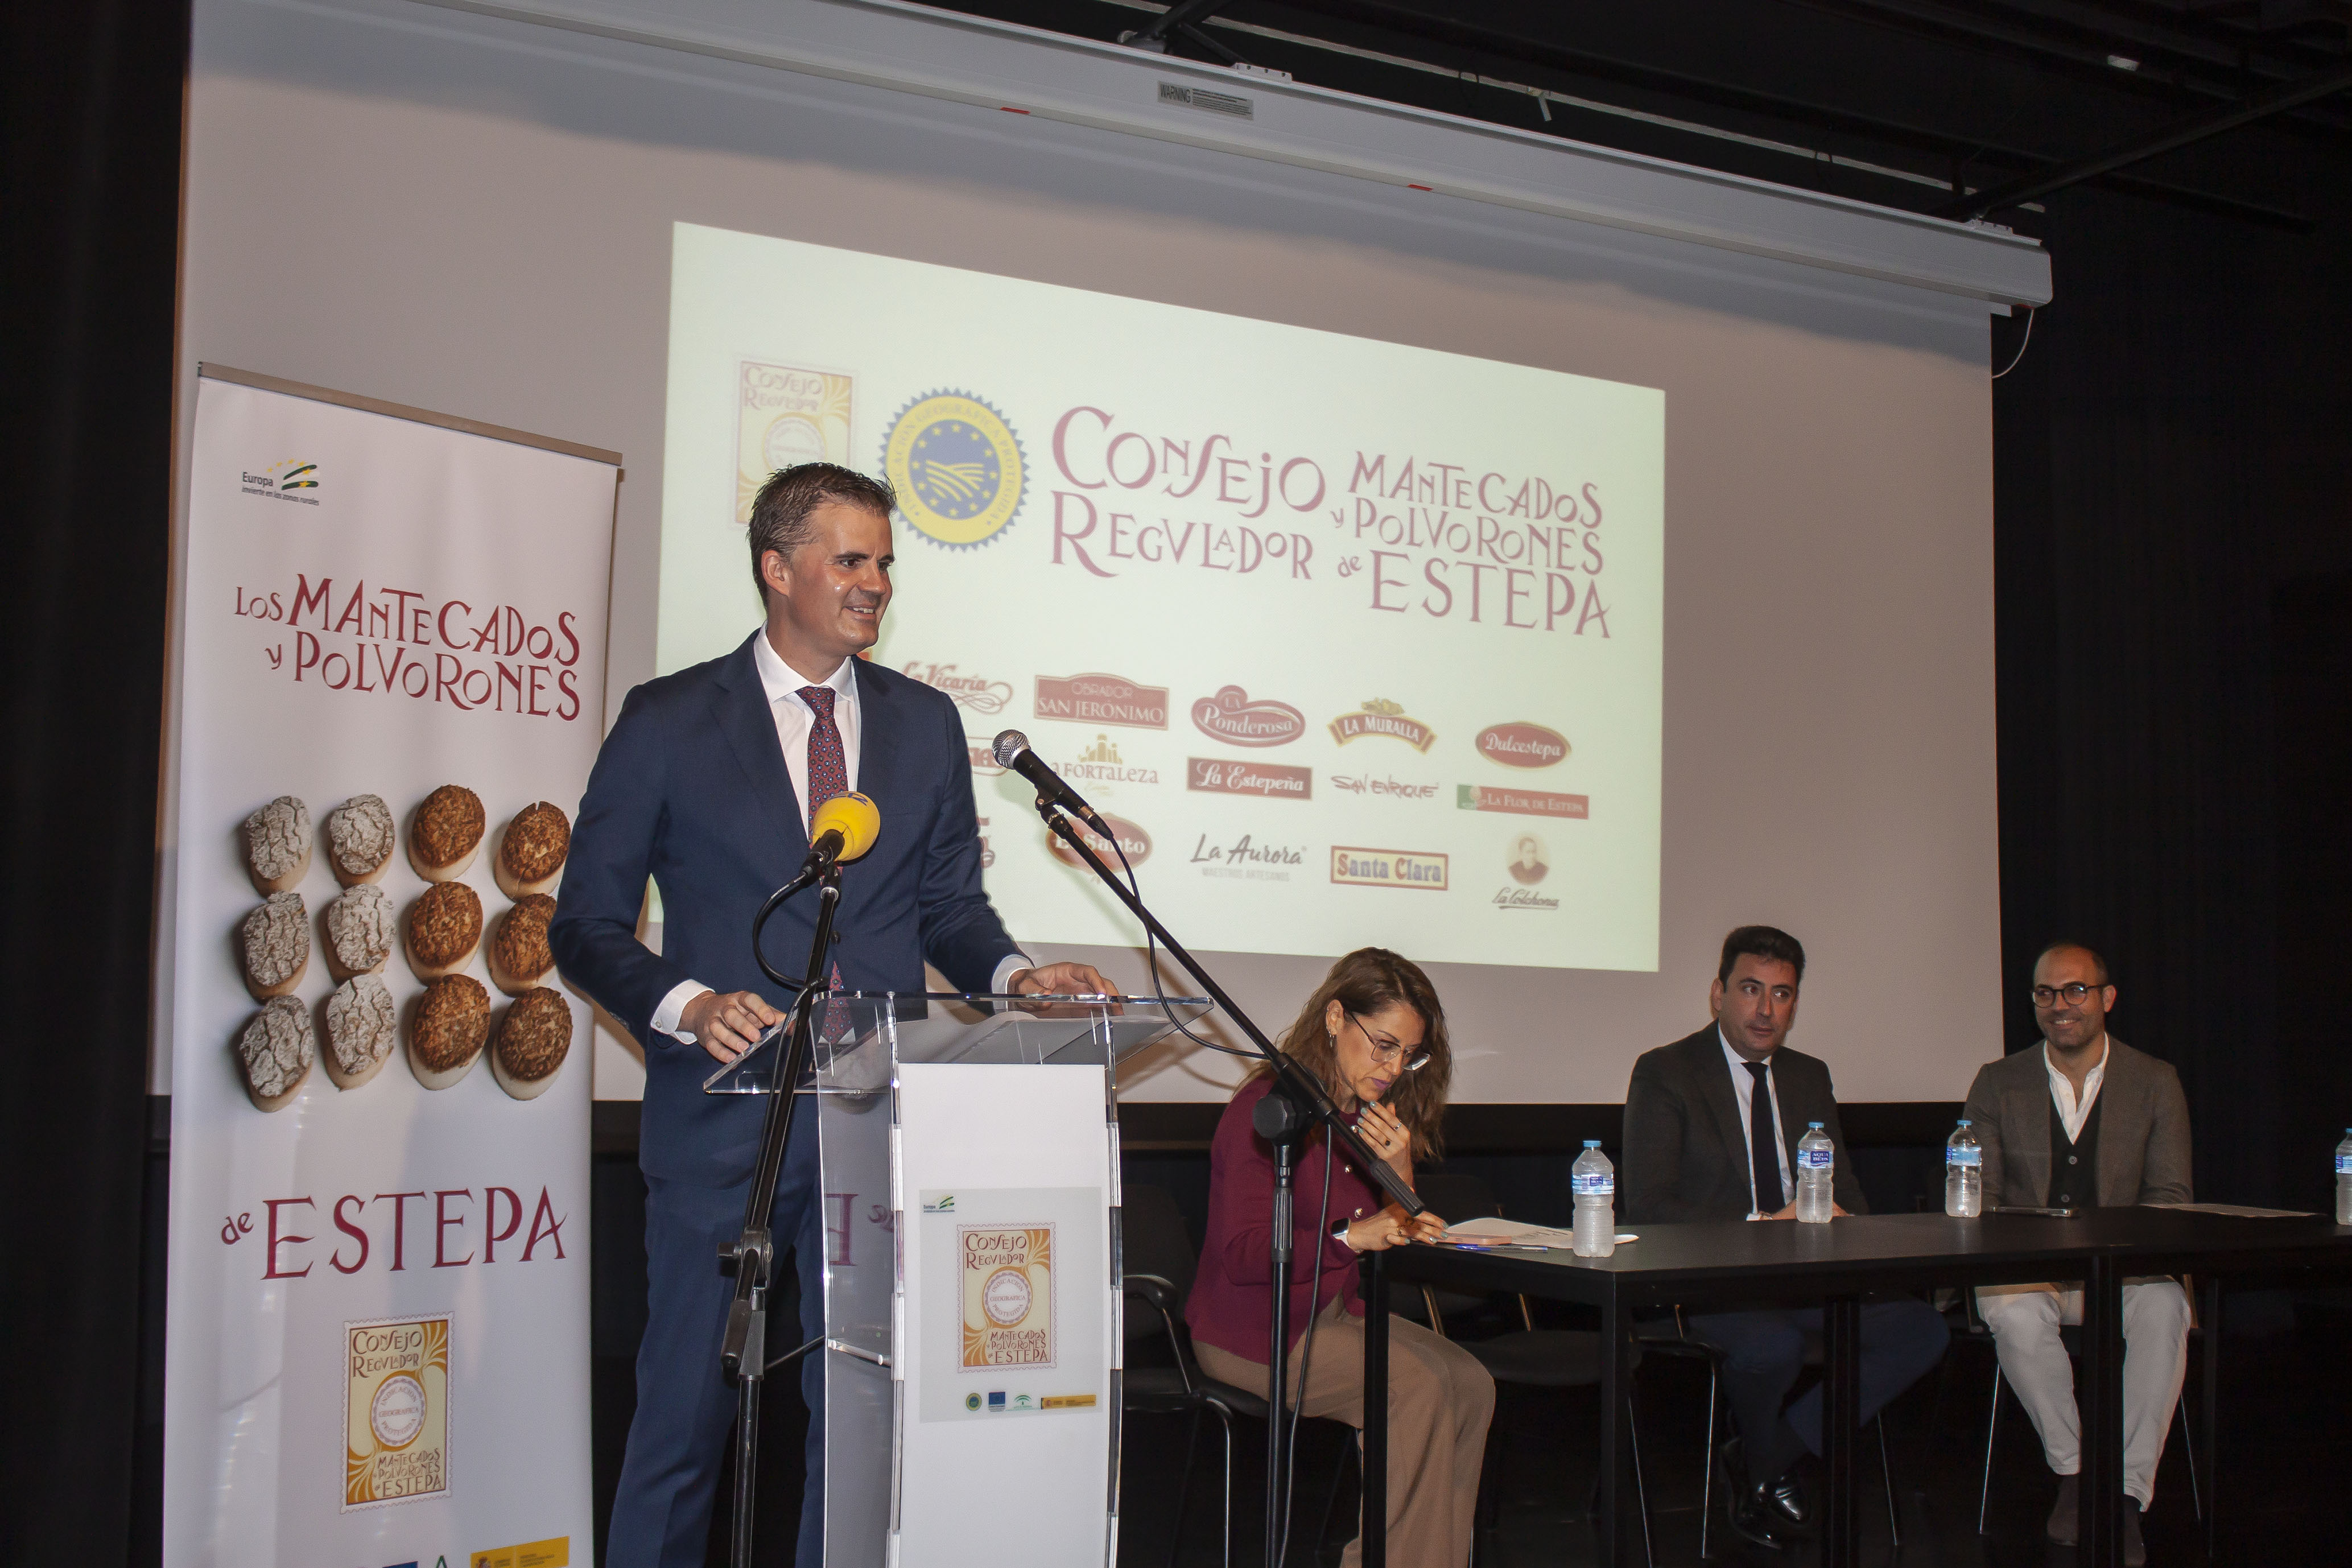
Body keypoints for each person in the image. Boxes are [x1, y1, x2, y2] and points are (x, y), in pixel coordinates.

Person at [549, 463, 1108, 1568]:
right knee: (681, 1428)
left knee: (864, 1430)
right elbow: (585, 925)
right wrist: (686, 1003)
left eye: (885, 563)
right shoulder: (670, 721)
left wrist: (1013, 978)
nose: (875, 583)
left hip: (882, 1128)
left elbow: (949, 909)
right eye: (850, 559)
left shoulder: (922, 724)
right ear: (777, 567)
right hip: (725, 1131)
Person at [1620, 925, 1949, 1552]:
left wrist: (1848, 1222)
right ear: (1718, 993)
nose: (1766, 1009)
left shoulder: (1808, 1075)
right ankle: (1768, 1463)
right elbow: (1651, 1207)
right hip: (1711, 1283)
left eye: (1782, 993)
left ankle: (1764, 1455)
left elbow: (1847, 1187)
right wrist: (1765, 1227)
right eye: (1751, 989)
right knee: (1772, 1346)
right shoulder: (1667, 1072)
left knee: (1922, 1330)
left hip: (1808, 1277)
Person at [1186, 948, 1493, 1568]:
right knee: (1415, 1388)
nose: (1394, 1067)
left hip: (1330, 1313)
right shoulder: (1265, 1111)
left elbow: (1391, 1225)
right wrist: (1350, 1238)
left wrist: (1400, 1173)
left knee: (1471, 1383)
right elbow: (1246, 1255)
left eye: (1409, 1054)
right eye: (1384, 1044)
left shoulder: (1362, 1118)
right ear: (1335, 1018)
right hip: (1253, 1330)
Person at [1963, 941, 2191, 1567]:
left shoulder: (2155, 1080)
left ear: (2107, 998)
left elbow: (2171, 1199)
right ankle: (2077, 1472)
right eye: (2045, 992)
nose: (2060, 1004)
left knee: (2167, 1306)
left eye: (2075, 990)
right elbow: (1977, 1197)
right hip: (2030, 1272)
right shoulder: (1997, 1081)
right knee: (2012, 1310)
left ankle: (2125, 1494)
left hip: (2124, 1271)